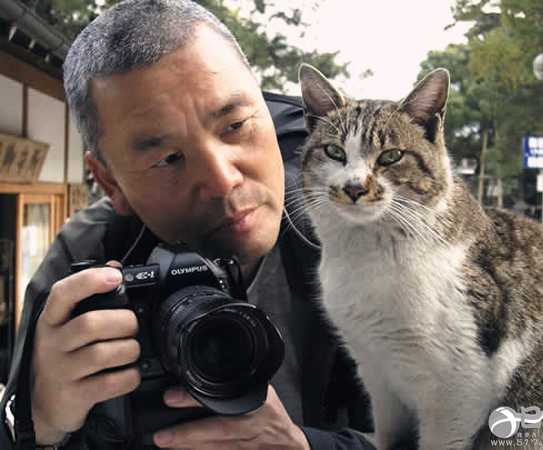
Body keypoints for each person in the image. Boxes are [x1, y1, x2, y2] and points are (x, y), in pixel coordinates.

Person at [0, 0, 375, 448]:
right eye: (167, 159)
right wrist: (37, 422)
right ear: (109, 182)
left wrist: (307, 446)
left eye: (235, 125)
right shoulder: (85, 264)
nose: (222, 179)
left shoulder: (370, 225)